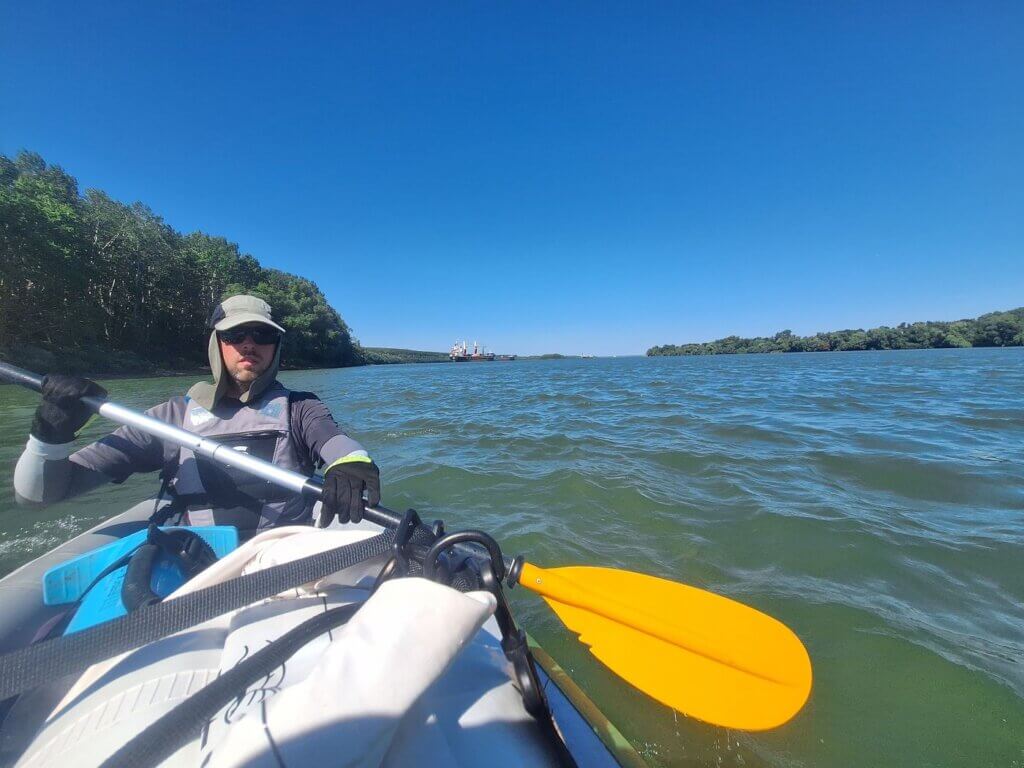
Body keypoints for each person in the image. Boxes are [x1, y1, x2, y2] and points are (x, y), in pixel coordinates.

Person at [13, 295, 380, 534]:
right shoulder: (167, 418)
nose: (249, 343)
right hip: (198, 562)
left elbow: (336, 443)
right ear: (217, 344)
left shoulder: (301, 408)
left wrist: (350, 462)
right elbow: (38, 496)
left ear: (276, 347)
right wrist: (50, 433)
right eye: (236, 334)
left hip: (282, 554)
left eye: (261, 335)